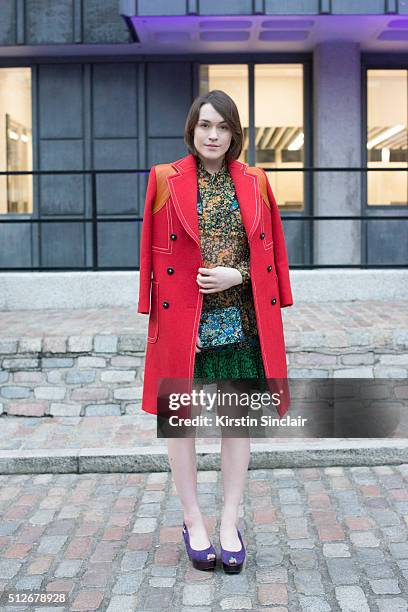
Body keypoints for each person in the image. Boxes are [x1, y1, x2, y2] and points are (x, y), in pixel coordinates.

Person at [137, 90, 293, 573]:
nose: (213, 135)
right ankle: (193, 520)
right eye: (205, 125)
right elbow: (152, 254)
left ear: (234, 134)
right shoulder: (165, 178)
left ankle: (229, 521)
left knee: (236, 423)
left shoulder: (256, 180)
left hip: (241, 321)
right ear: (192, 128)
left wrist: (237, 275)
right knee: (180, 424)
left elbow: (271, 253)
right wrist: (166, 316)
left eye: (223, 127)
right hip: (186, 322)